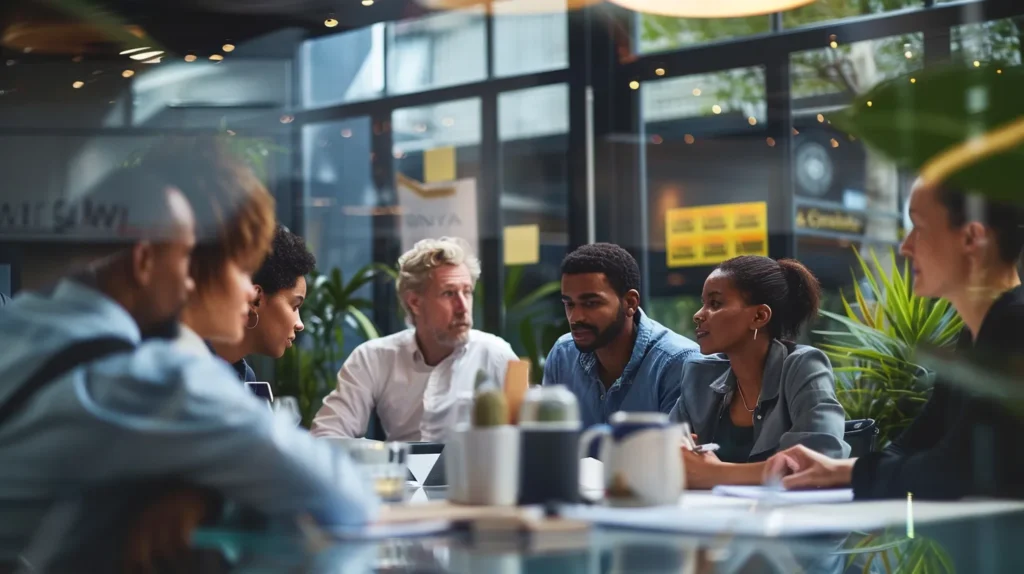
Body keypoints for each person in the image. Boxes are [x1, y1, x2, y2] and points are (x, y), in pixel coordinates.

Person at [0, 167, 376, 571]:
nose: (190, 284)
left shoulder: (18, 322)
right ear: (144, 260)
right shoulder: (144, 375)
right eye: (185, 260)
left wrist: (197, 492)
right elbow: (343, 499)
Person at [764, 180, 1024, 500]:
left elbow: (957, 471)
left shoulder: (1014, 329)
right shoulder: (979, 333)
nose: (906, 246)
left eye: (919, 228)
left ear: (971, 239)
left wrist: (852, 472)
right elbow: (917, 443)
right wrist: (833, 469)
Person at [311, 237, 518, 442]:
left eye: (467, 292)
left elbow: (530, 434)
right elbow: (325, 436)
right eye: (448, 294)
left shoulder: (498, 355)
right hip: (403, 475)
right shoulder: (373, 357)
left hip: (474, 474)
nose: (463, 307)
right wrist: (386, 456)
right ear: (415, 302)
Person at [672, 256, 849, 489]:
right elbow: (665, 454)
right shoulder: (700, 376)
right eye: (703, 303)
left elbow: (819, 462)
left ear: (759, 316)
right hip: (713, 521)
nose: (698, 314)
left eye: (715, 304)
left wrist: (716, 473)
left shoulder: (803, 366)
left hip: (792, 521)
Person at [543, 243, 698, 428]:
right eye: (569, 304)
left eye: (591, 303)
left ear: (630, 303)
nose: (575, 317)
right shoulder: (562, 355)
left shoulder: (679, 362)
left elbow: (677, 453)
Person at [212, 225, 316, 382]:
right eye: (294, 306)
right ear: (255, 299)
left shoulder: (247, 379)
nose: (300, 324)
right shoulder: (185, 374)